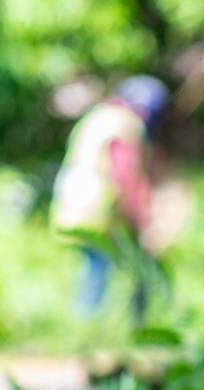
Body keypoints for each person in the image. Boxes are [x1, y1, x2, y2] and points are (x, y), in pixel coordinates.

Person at [50, 75, 169, 313]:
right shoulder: (126, 124)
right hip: (96, 205)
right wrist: (140, 216)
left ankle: (83, 320)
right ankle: (87, 323)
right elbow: (126, 172)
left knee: (92, 264)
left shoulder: (98, 116)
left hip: (71, 199)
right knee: (99, 267)